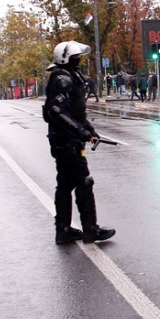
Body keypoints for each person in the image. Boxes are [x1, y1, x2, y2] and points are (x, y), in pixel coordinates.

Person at [43, 41, 115, 245]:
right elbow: (56, 112)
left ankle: (63, 229)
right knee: (83, 181)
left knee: (65, 184)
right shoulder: (62, 78)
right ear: (66, 58)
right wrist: (81, 132)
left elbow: (76, 112)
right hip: (67, 142)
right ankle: (90, 229)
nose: (79, 61)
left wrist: (89, 131)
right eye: (76, 58)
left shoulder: (68, 76)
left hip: (66, 140)